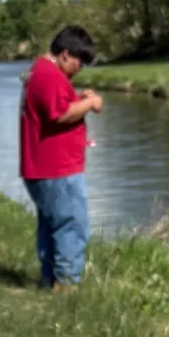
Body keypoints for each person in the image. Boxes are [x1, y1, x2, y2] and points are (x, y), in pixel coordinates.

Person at [18, 25, 102, 289]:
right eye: (80, 61)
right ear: (66, 54)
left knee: (51, 226)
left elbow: (56, 105)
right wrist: (90, 103)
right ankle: (66, 284)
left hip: (43, 167)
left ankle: (49, 280)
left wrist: (79, 98)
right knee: (71, 226)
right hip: (57, 169)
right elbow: (60, 114)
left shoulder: (40, 71)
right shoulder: (49, 76)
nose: (80, 68)